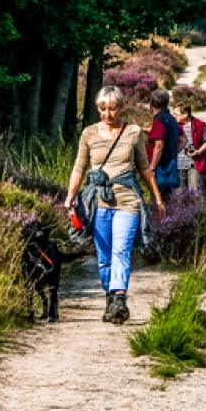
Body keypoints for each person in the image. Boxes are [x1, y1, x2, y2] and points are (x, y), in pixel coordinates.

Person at [64, 86, 165, 324]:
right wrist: (71, 196)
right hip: (98, 202)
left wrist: (158, 198)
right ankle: (110, 297)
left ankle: (120, 298)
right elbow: (79, 167)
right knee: (104, 255)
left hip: (127, 200)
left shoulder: (133, 132)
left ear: (121, 107)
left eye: (112, 108)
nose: (107, 114)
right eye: (103, 109)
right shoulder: (89, 134)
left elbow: (145, 168)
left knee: (121, 250)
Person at [147, 89, 180, 201]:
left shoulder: (159, 120)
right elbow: (183, 139)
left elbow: (159, 145)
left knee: (158, 201)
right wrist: (173, 152)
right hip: (171, 166)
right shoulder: (171, 119)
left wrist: (152, 168)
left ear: (152, 104)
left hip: (160, 169)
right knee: (168, 200)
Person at [174, 102, 206, 191]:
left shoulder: (200, 125)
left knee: (195, 191)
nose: (174, 116)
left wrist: (198, 152)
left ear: (185, 114)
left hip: (195, 163)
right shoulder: (174, 126)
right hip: (177, 164)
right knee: (178, 193)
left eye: (176, 114)